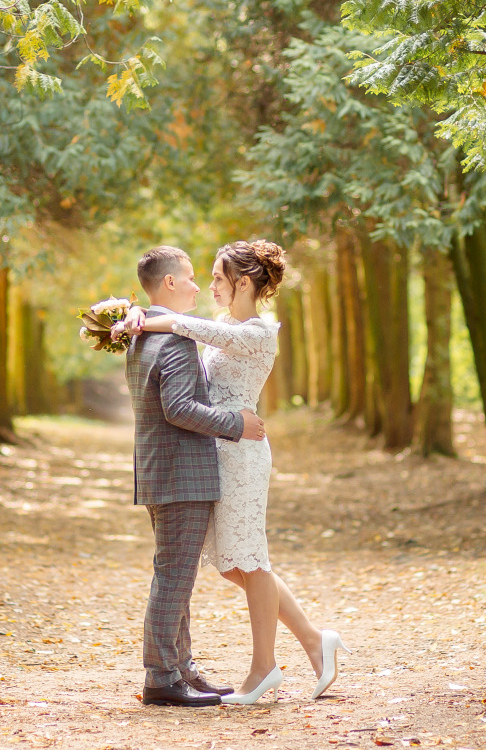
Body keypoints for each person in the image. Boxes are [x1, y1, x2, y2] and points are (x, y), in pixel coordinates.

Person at [118, 241, 347, 705]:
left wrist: (140, 317)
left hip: (241, 453)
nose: (211, 285)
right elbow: (186, 345)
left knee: (251, 560)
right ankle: (313, 639)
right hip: (215, 454)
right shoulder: (221, 326)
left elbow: (182, 325)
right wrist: (137, 317)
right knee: (235, 566)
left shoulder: (259, 333)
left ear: (243, 282)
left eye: (219, 278)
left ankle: (264, 668)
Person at [125, 245, 268, 707]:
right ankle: (161, 677)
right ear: (169, 283)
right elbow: (179, 408)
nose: (197, 287)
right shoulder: (176, 340)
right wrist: (237, 426)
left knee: (175, 575)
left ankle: (181, 668)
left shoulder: (140, 332)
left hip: (158, 471)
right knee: (173, 579)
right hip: (182, 474)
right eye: (189, 278)